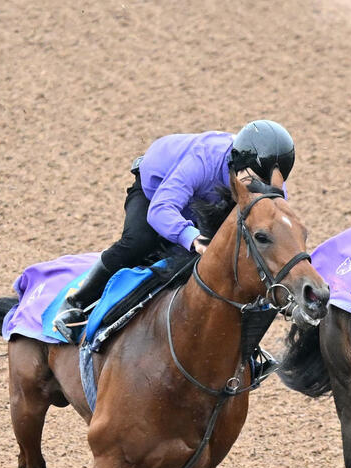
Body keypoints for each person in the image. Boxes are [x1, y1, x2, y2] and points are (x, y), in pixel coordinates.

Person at [53, 119, 295, 343]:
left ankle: (246, 349)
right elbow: (160, 210)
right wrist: (193, 239)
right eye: (252, 184)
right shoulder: (203, 159)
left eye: (266, 188)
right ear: (236, 165)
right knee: (138, 242)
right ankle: (76, 302)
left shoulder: (264, 178)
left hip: (208, 203)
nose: (257, 192)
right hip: (156, 194)